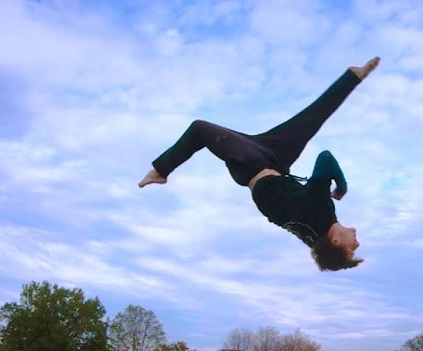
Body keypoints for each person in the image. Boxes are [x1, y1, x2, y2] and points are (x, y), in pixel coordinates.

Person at [138, 57, 381, 271]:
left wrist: (341, 189)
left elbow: (325, 158)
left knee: (199, 129)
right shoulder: (315, 233)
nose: (357, 244)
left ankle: (161, 171)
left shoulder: (318, 212)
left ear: (335, 240)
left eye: (352, 249)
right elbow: (321, 250)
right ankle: (352, 77)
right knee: (309, 121)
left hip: (252, 164)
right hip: (275, 162)